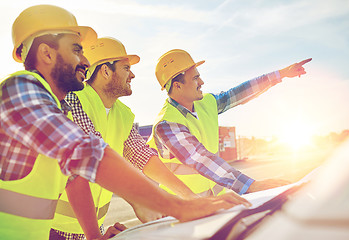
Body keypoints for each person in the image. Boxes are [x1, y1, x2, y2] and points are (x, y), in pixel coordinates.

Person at [0, 6, 250, 240]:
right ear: (46, 53)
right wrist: (177, 206)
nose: (85, 62)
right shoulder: (19, 90)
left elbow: (77, 176)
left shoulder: (62, 109)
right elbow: (86, 153)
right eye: (77, 50)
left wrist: (94, 236)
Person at [50, 37, 199, 240]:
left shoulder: (123, 114)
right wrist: (140, 199)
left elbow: (142, 156)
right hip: (51, 229)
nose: (133, 75)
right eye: (126, 68)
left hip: (88, 230)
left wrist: (189, 197)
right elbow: (93, 158)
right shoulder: (73, 101)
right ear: (105, 71)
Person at [148, 49, 311, 197]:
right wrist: (251, 186)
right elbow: (200, 158)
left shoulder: (206, 103)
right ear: (177, 85)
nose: (202, 82)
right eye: (196, 78)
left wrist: (280, 74)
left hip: (217, 203)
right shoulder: (167, 124)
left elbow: (238, 93)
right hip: (183, 210)